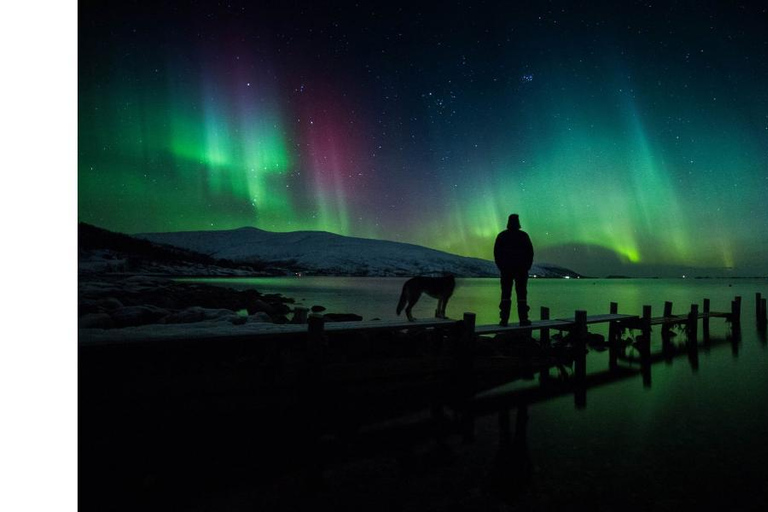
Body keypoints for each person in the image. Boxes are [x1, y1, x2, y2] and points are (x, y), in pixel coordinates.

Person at [494, 214, 534, 326]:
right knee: (522, 295)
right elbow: (530, 253)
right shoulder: (523, 236)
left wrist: (501, 267)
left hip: (507, 270)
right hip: (521, 270)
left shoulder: (502, 235)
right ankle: (523, 320)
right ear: (518, 223)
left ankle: (504, 320)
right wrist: (527, 266)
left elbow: (497, 254)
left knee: (506, 294)